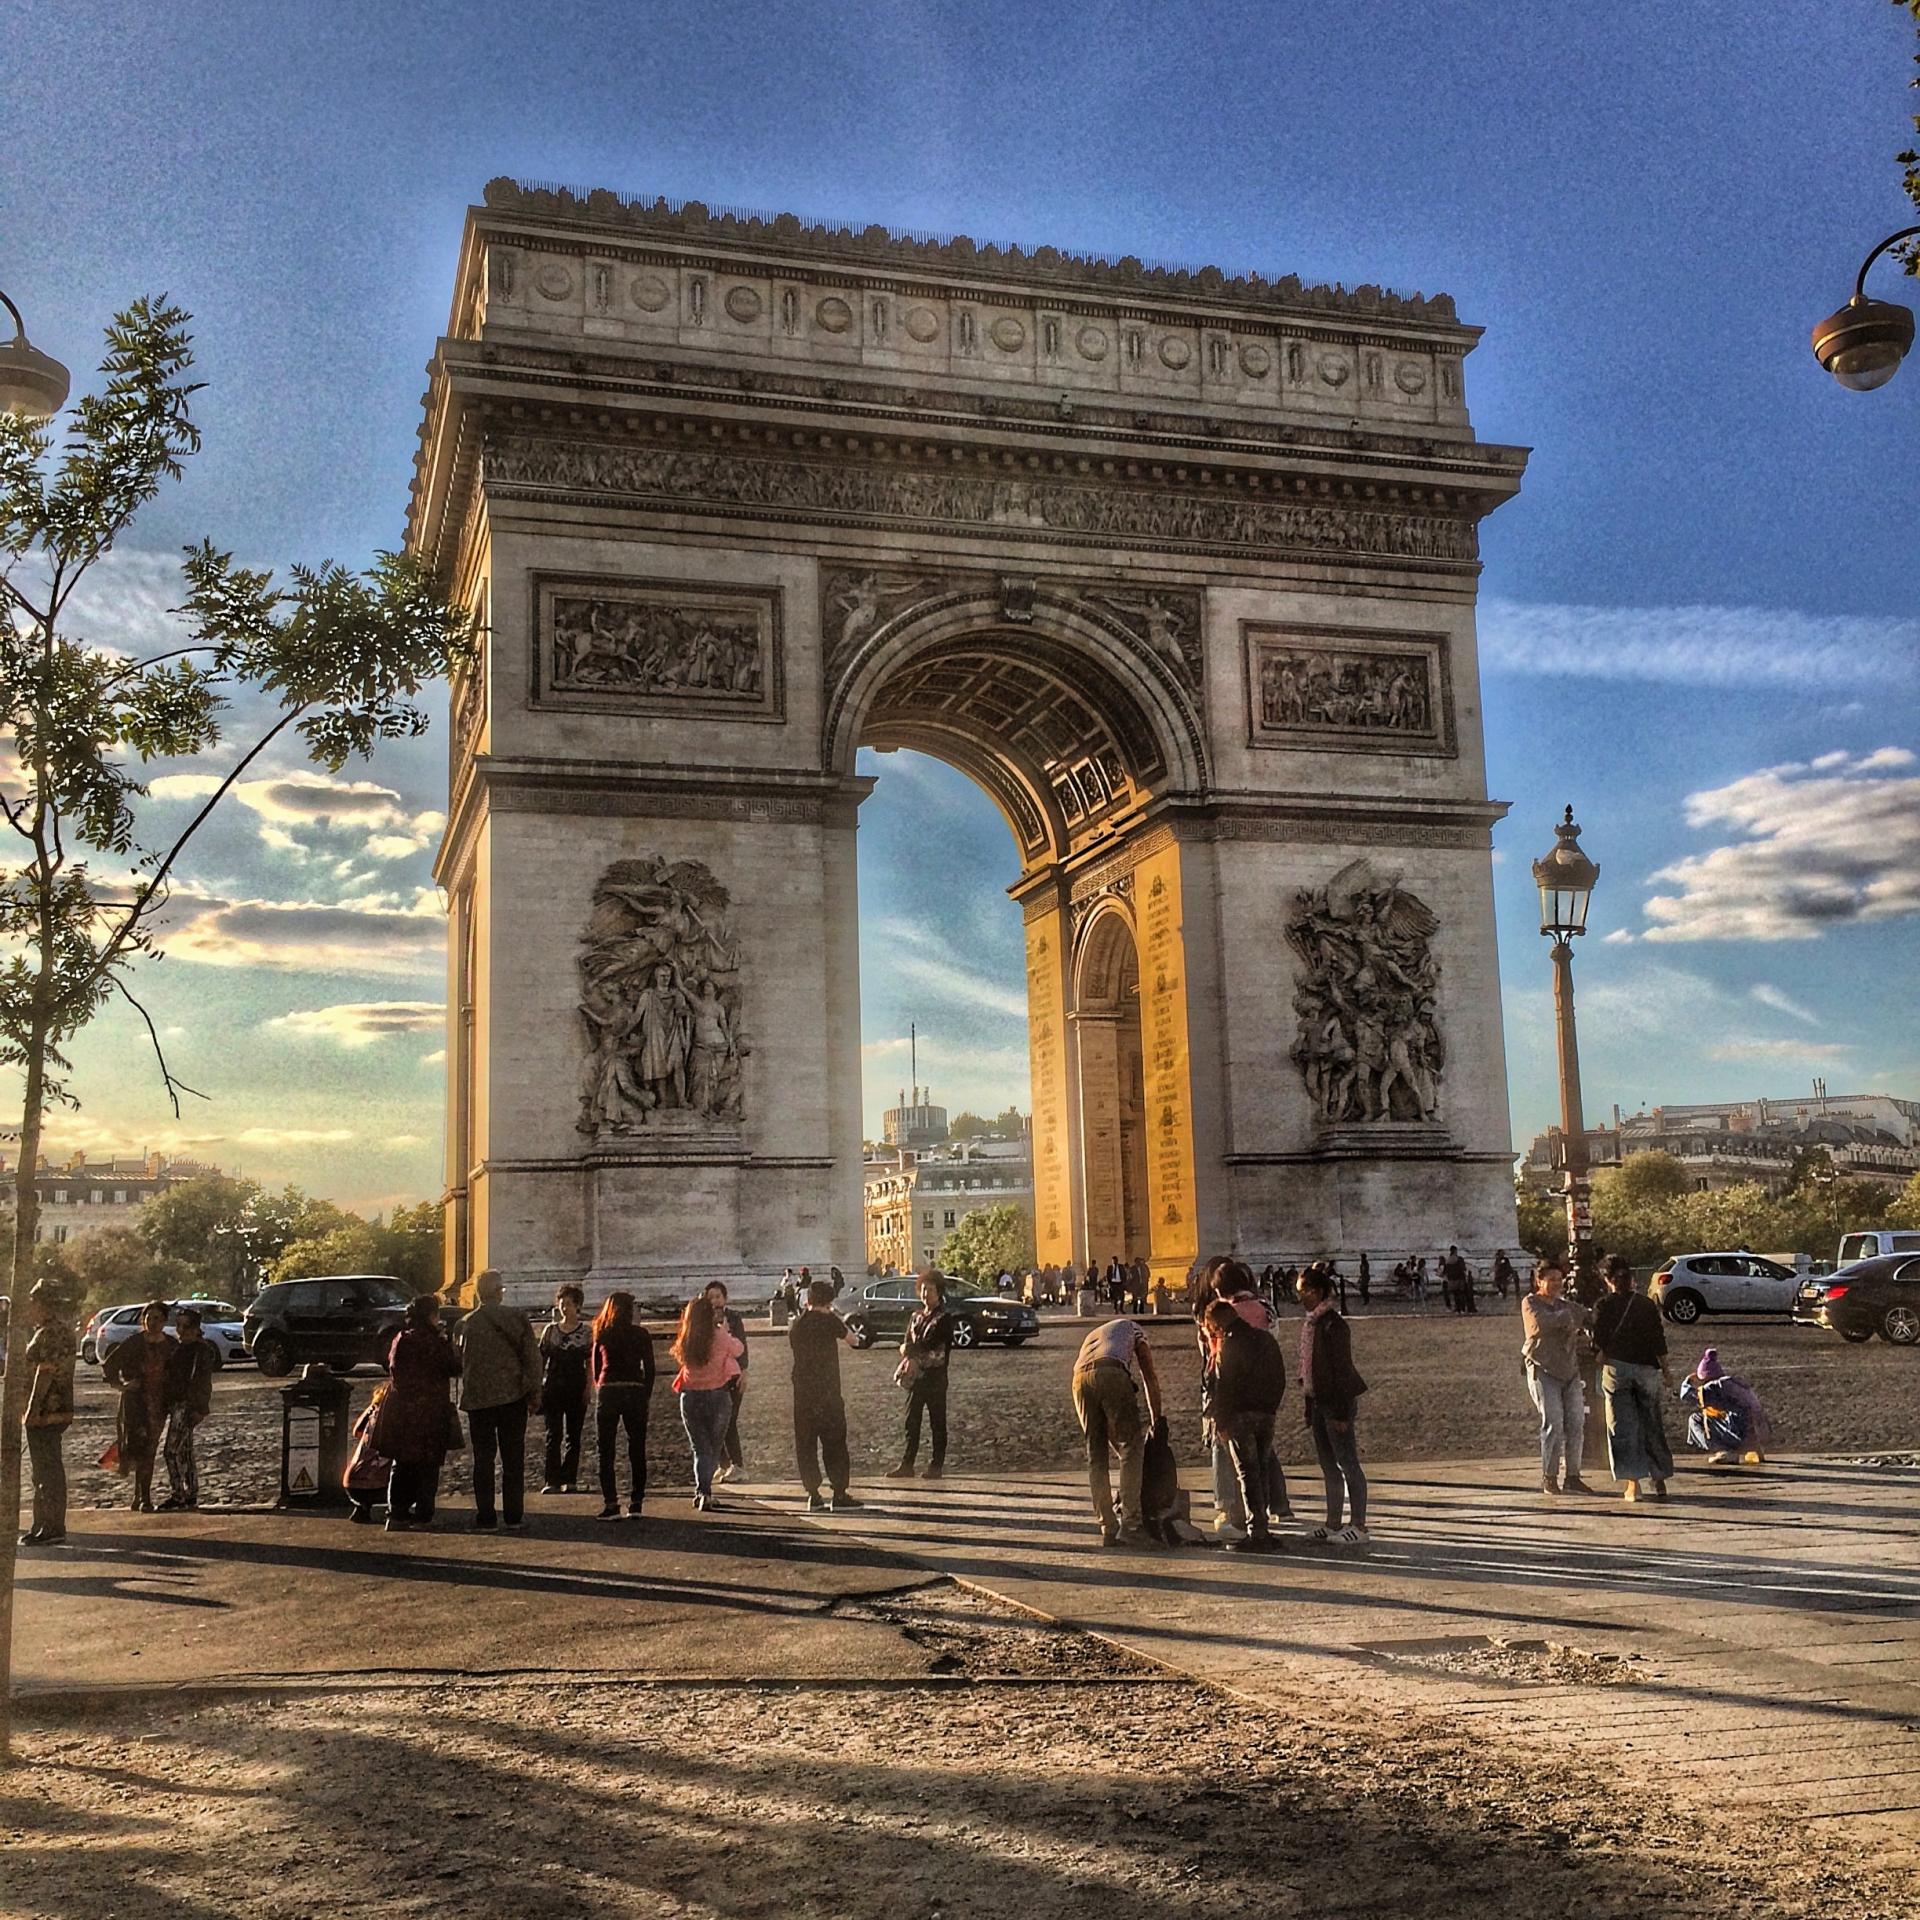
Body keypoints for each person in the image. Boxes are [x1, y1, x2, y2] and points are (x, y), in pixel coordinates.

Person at [1194, 1257, 1291, 1539]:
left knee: (1225, 1450)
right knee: (1261, 1454)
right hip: (1264, 1392)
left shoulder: (1225, 1315)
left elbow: (1214, 1361)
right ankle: (1277, 1505)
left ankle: (1229, 1510)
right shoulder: (1267, 1310)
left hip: (1233, 1393)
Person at [1070, 1310, 1164, 1546]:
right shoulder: (1136, 1330)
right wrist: (1157, 1420)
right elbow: (1149, 1377)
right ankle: (1132, 1524)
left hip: (1079, 1379)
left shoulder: (1095, 1334)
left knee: (1096, 1453)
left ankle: (1107, 1526)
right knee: (1132, 1446)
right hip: (1111, 1370)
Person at [458, 1269, 542, 1532]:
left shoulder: (465, 1324)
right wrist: (534, 1391)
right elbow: (532, 1358)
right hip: (512, 1397)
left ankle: (485, 1517)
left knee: (483, 1460)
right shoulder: (516, 1318)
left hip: (478, 1400)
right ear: (499, 1292)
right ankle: (514, 1516)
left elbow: (459, 1361)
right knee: (512, 1459)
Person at [378, 1295, 462, 1531]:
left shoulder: (401, 1339)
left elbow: (393, 1368)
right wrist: (445, 1341)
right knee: (429, 1463)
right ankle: (424, 1513)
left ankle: (396, 1512)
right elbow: (453, 1366)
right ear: (431, 1316)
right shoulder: (434, 1342)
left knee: (402, 1462)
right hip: (431, 1410)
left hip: (403, 1409)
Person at [1297, 1267, 1369, 1545]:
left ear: (1315, 1292)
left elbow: (1341, 1369)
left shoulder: (1333, 1325)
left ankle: (1359, 1526)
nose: (1300, 1299)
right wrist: (1308, 1403)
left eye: (1302, 1292)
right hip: (1318, 1401)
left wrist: (1340, 1412)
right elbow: (1309, 1368)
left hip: (1335, 1403)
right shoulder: (1313, 1324)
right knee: (1328, 1465)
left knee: (1349, 1463)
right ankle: (1333, 1522)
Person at [1592, 1255, 1672, 1501]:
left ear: (1607, 1280)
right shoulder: (1646, 1305)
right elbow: (1658, 1341)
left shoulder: (1603, 1306)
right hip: (1647, 1369)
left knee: (1622, 1427)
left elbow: (1598, 1342)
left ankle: (1632, 1484)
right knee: (1651, 1422)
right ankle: (1659, 1478)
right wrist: (1666, 1371)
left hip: (1617, 1369)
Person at [1521, 1257, 1594, 1496]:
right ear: (1539, 1281)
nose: (1556, 1284)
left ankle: (1573, 1475)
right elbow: (1539, 1325)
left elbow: (1590, 1316)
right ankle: (1549, 1476)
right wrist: (1566, 1317)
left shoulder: (1566, 1305)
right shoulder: (1530, 1303)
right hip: (1543, 1369)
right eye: (1550, 1279)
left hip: (1570, 1370)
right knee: (1553, 1423)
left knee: (1576, 1424)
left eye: (1559, 1279)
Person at [789, 1276, 858, 1510]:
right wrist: (835, 1318)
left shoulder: (797, 1325)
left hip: (803, 1393)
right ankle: (839, 1493)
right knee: (835, 1443)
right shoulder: (830, 1322)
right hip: (828, 1392)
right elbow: (854, 1340)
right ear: (828, 1301)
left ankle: (813, 1494)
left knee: (806, 1444)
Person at [671, 1292, 744, 1510]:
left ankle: (702, 1492)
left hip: (690, 1396)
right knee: (712, 1448)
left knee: (699, 1449)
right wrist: (726, 1331)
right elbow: (738, 1349)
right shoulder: (719, 1335)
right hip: (718, 1396)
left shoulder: (686, 1337)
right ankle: (705, 1493)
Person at [101, 1299, 173, 1512]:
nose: (152, 1322)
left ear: (164, 1321)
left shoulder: (170, 1345)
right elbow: (110, 1364)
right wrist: (122, 1385)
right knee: (139, 1448)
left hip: (159, 1404)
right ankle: (143, 1496)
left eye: (157, 1318)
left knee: (150, 1449)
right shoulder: (134, 1342)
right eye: (149, 1318)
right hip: (136, 1404)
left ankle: (142, 1494)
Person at [19, 1282, 75, 1546]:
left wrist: (32, 1408)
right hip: (50, 1410)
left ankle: (52, 1526)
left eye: (33, 1301)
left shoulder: (51, 1333)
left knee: (47, 1470)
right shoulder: (48, 1331)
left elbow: (45, 1371)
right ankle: (42, 1524)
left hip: (47, 1411)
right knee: (41, 1471)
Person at [591, 1290, 655, 1518]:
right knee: (636, 1448)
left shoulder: (603, 1333)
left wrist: (601, 1388)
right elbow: (650, 1369)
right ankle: (636, 1503)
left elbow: (596, 1367)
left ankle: (611, 1504)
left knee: (605, 1450)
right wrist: (644, 1393)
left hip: (609, 1389)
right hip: (634, 1389)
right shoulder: (641, 1334)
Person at [889, 1270, 955, 1479]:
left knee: (937, 1422)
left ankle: (936, 1465)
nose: (926, 1294)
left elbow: (930, 1344)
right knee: (912, 1421)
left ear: (939, 1292)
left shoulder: (944, 1318)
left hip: (935, 1377)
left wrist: (908, 1348)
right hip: (916, 1377)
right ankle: (907, 1464)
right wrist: (908, 1348)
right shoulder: (916, 1316)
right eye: (923, 1289)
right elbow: (908, 1339)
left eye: (931, 1290)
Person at [158, 1306, 217, 1510]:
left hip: (186, 1405)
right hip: (177, 1404)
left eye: (186, 1326)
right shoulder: (180, 1348)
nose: (181, 1330)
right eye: (179, 1325)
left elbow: (202, 1383)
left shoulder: (199, 1351)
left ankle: (179, 1494)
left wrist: (199, 1408)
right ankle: (190, 1492)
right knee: (184, 1450)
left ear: (195, 1328)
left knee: (171, 1451)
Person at [539, 1283, 592, 1494]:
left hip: (576, 1386)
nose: (564, 1308)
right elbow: (540, 1361)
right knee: (553, 1434)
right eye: (561, 1304)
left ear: (577, 1306)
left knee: (574, 1435)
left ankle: (569, 1479)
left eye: (568, 1304)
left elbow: (590, 1364)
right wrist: (537, 1386)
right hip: (553, 1387)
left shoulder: (587, 1332)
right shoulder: (550, 1331)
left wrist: (589, 1388)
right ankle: (551, 1479)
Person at [1681, 1348, 1773, 1466]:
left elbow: (1686, 1395)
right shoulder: (1735, 1383)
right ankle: (1753, 1448)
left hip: (1740, 1433)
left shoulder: (1713, 1387)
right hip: (1760, 1433)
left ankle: (1725, 1451)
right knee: (1727, 1414)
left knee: (1695, 1419)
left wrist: (1687, 1382)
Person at [704, 1280, 751, 1482]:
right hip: (713, 1376)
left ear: (725, 1298)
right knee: (714, 1422)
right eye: (711, 1297)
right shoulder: (702, 1320)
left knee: (729, 1420)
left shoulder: (733, 1318)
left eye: (718, 1296)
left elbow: (743, 1346)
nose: (715, 1301)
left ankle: (738, 1465)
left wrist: (744, 1371)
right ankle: (724, 1464)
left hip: (733, 1375)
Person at [1444, 1245, 1475, 1315]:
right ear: (1455, 1251)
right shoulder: (1459, 1259)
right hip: (1460, 1279)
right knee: (1461, 1295)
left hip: (1452, 1280)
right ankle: (1462, 1309)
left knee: (1455, 1295)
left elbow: (1445, 1271)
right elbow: (1463, 1269)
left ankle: (1457, 1309)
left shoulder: (1448, 1260)